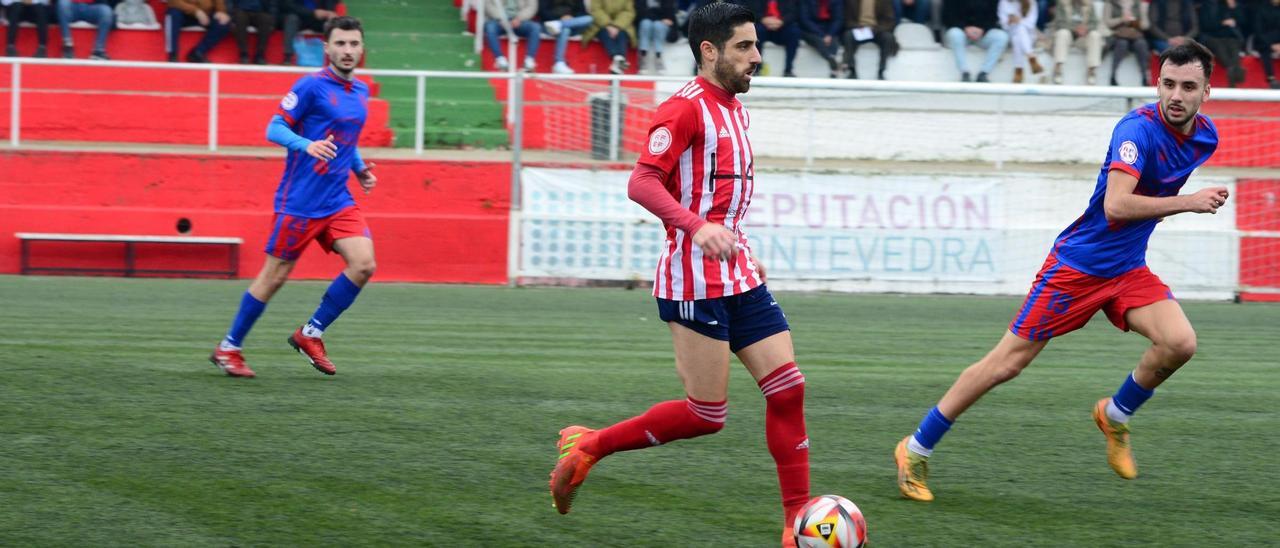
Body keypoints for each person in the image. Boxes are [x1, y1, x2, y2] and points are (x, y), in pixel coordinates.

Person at [893, 40, 1226, 503]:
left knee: (1180, 343)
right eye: (1168, 84)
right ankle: (915, 447)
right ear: (1157, 83)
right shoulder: (1135, 131)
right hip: (1078, 267)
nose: (1175, 95)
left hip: (1126, 268)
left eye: (1188, 86)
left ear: (1206, 92)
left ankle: (1115, 414)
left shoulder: (1206, 137)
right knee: (1005, 364)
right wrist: (1188, 203)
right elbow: (1116, 205)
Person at [548, 4, 810, 548]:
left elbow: (721, 198)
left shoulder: (733, 105)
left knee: (788, 389)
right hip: (694, 283)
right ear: (709, 52)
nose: (756, 57)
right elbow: (642, 182)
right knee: (706, 415)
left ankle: (796, 523)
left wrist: (740, 245)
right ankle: (593, 445)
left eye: (756, 45)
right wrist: (695, 228)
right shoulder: (683, 110)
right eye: (744, 47)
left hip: (738, 274)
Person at [209, 15, 377, 379]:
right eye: (340, 43)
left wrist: (359, 168)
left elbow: (345, 138)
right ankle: (229, 347)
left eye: (353, 44)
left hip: (338, 199)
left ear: (362, 49)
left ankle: (311, 333)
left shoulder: (361, 91)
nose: (347, 51)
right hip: (300, 201)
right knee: (274, 276)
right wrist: (307, 145)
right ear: (327, 47)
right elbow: (274, 127)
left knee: (363, 264)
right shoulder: (310, 86)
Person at [943, 0, 1009, 82]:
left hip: (983, 34)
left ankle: (984, 73)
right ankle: (964, 72)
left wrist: (983, 29)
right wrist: (964, 28)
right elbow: (947, 16)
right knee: (954, 34)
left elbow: (994, 17)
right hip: (961, 32)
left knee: (1002, 37)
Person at [1050, 0, 1102, 84]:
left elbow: (1094, 23)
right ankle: (1058, 68)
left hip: (1083, 37)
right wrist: (1075, 29)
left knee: (1095, 35)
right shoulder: (1062, 3)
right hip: (1069, 35)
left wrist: (1085, 29)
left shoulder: (1089, 4)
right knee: (1062, 33)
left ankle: (1091, 70)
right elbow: (1059, 23)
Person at [842, 0, 896, 80]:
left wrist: (875, 29)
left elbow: (889, 21)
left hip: (877, 30)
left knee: (888, 37)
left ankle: (881, 70)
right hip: (859, 29)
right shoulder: (851, 1)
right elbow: (847, 20)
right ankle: (852, 70)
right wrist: (858, 27)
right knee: (848, 36)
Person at [1197, 0, 1245, 87]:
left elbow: (1242, 21)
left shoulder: (1225, 5)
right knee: (1220, 48)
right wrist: (1222, 23)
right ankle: (1234, 70)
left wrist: (1233, 7)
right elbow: (1206, 26)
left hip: (1228, 36)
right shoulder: (1205, 6)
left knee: (1234, 45)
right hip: (1211, 37)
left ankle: (1233, 70)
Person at [165, 0, 232, 63]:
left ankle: (198, 53)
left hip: (206, 14)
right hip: (184, 13)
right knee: (172, 14)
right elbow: (173, 2)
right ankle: (172, 55)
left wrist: (221, 11)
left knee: (223, 23)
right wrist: (196, 11)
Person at [1103, 0, 1150, 86]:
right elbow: (1107, 22)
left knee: (1141, 44)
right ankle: (1113, 75)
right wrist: (1121, 19)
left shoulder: (1138, 3)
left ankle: (1144, 76)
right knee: (1122, 43)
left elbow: (1146, 25)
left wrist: (1135, 21)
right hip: (1117, 35)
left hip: (1134, 36)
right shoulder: (1110, 3)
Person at [484, 0, 541, 71]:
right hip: (499, 21)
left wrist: (519, 18)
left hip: (520, 21)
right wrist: (501, 18)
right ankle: (500, 60)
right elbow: (488, 6)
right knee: (490, 27)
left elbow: (531, 7)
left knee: (535, 27)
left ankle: (529, 61)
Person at [539, 0, 592, 74]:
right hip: (550, 25)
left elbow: (582, 12)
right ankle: (559, 62)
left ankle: (560, 24)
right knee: (565, 29)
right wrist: (559, 18)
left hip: (572, 23)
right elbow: (542, 11)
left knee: (590, 19)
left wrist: (571, 18)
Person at [583, 0, 635, 74]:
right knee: (605, 33)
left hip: (622, 25)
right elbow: (596, 10)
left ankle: (618, 60)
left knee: (622, 34)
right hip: (600, 24)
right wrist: (608, 25)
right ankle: (619, 59)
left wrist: (617, 25)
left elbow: (629, 12)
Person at [279, 0, 338, 65]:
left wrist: (329, 13)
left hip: (319, 20)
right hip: (300, 17)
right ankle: (288, 57)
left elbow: (330, 6)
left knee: (332, 23)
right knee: (292, 19)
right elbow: (289, 6)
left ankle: (335, 57)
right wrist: (312, 13)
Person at [999, 0, 1043, 83]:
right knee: (1017, 35)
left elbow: (1031, 23)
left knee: (1019, 34)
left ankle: (1018, 71)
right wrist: (1009, 21)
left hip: (1029, 34)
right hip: (1011, 32)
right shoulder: (1004, 2)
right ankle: (1031, 58)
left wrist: (1019, 21)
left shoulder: (1031, 2)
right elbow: (1003, 23)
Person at [801, 0, 844, 78]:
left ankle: (833, 69)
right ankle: (831, 59)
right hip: (812, 30)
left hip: (830, 29)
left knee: (834, 42)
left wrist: (830, 34)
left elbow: (838, 19)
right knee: (818, 40)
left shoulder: (837, 1)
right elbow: (805, 19)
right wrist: (822, 35)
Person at [635, 0, 675, 74]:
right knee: (646, 24)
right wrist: (659, 17)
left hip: (660, 25)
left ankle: (658, 57)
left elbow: (670, 14)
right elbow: (639, 14)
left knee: (658, 25)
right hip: (646, 23)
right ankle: (643, 57)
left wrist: (655, 16)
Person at [230, 0, 277, 64]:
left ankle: (260, 54)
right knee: (240, 17)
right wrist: (230, 15)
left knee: (266, 19)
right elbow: (229, 3)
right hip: (240, 11)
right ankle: (244, 54)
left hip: (259, 12)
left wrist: (273, 19)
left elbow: (272, 5)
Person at [1256, 0, 1280, 89]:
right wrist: (1271, 45)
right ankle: (1271, 78)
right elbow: (1258, 31)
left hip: (1278, 41)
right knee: (1265, 51)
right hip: (1264, 41)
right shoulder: (1261, 9)